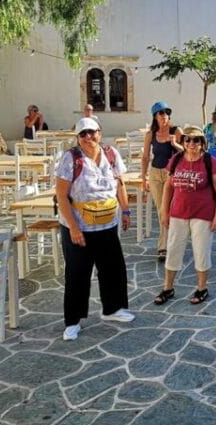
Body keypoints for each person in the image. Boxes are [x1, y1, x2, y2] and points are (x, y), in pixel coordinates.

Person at [55, 117, 134, 341]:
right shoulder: (71, 158)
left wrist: (126, 210)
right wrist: (73, 227)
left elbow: (120, 183)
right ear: (78, 138)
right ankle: (72, 321)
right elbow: (61, 194)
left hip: (107, 224)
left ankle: (113, 308)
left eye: (93, 132)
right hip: (79, 226)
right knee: (77, 273)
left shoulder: (111, 154)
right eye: (83, 134)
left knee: (113, 268)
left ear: (100, 132)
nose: (89, 137)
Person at [154, 125, 216, 306]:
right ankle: (168, 287)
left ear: (202, 143)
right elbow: (169, 186)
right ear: (183, 142)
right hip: (178, 212)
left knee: (201, 251)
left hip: (202, 213)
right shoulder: (176, 159)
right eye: (188, 140)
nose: (191, 143)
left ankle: (202, 288)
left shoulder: (210, 161)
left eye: (196, 140)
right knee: (173, 250)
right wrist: (164, 210)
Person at [140, 101, 183, 262]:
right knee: (161, 210)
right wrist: (143, 177)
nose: (164, 115)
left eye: (166, 112)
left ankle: (172, 243)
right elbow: (145, 157)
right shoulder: (150, 134)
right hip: (155, 174)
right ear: (155, 116)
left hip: (172, 174)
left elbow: (188, 151)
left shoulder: (176, 131)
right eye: (161, 113)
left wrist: (175, 143)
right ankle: (164, 246)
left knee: (172, 209)